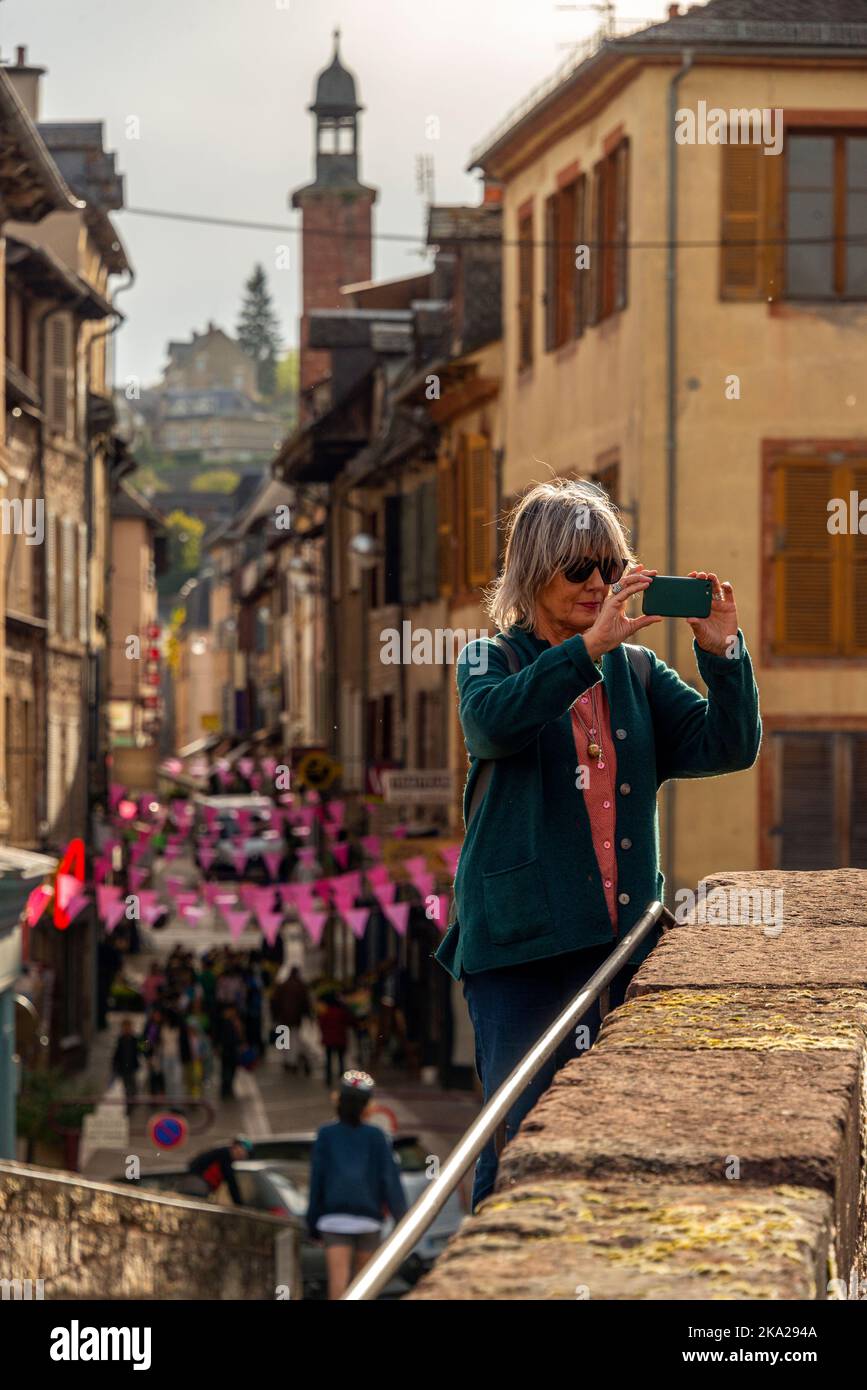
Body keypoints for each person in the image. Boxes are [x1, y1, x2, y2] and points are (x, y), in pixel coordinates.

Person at [437, 479, 762, 1210]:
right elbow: (492, 726)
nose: (596, 583)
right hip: (518, 953)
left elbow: (726, 745)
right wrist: (585, 651)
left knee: (610, 1137)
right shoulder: (492, 660)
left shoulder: (638, 671)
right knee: (520, 1136)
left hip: (616, 949)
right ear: (532, 571)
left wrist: (721, 653)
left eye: (610, 569)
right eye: (577, 567)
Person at [307, 1072, 407, 1300]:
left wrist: (312, 1222)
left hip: (333, 1219)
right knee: (364, 1287)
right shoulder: (377, 1136)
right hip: (368, 1220)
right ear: (367, 1106)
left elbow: (317, 1181)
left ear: (339, 1101)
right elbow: (389, 1181)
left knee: (338, 1284)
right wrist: (403, 1220)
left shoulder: (325, 1134)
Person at [183, 1137, 253, 1205]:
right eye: (241, 1151)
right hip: (197, 1184)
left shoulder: (224, 1154)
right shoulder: (225, 1155)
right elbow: (231, 1182)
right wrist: (239, 1203)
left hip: (197, 1183)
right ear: (234, 1147)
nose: (242, 1155)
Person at [271, 967, 313, 1074]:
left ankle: (287, 1061)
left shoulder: (282, 986)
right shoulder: (301, 986)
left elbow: (275, 1001)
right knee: (294, 1039)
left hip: (283, 1018)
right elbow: (306, 1003)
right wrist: (309, 1016)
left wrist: (275, 1017)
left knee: (284, 1041)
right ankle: (293, 1062)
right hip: (296, 1018)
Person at [317, 992, 353, 1087]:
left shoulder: (326, 1012)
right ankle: (342, 1078)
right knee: (341, 1060)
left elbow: (321, 1024)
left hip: (329, 1040)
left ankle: (328, 1079)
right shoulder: (342, 1011)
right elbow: (349, 1021)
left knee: (328, 1060)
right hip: (340, 1039)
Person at [111, 1019, 140, 1115]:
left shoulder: (135, 1039)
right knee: (127, 1088)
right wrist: (114, 1065)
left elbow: (144, 1048)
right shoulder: (121, 1040)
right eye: (125, 1027)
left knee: (133, 1087)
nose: (127, 1029)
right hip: (123, 1068)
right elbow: (116, 1054)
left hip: (132, 1067)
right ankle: (129, 1105)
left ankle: (132, 1102)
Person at [217, 1004, 243, 1100]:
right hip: (227, 1051)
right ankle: (225, 1090)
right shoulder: (224, 1022)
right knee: (227, 1072)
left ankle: (228, 1089)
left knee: (230, 1071)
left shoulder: (234, 1022)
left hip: (231, 1051)